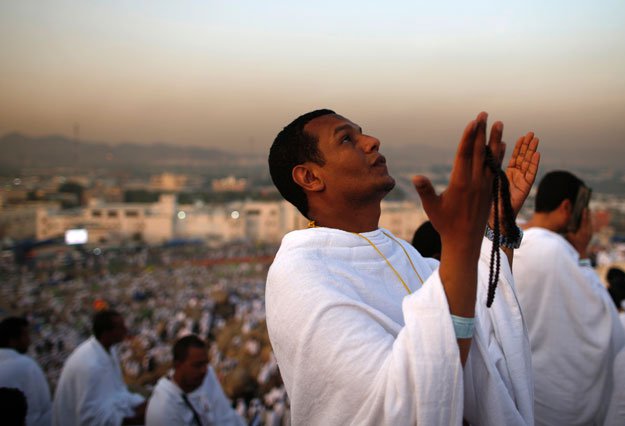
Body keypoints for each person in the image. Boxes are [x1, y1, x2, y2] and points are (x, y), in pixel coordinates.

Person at [266, 109, 540, 425]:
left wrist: (497, 223)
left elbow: (481, 325)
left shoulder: (402, 253)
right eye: (346, 139)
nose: (371, 141)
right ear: (310, 177)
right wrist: (459, 242)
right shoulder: (300, 274)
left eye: (362, 132)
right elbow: (401, 404)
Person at [512, 171, 625, 426]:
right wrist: (582, 253)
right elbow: (605, 319)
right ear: (567, 208)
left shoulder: (512, 242)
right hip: (553, 399)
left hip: (519, 393)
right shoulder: (556, 250)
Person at [52, 310, 146, 426]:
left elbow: (118, 391)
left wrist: (140, 403)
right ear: (106, 333)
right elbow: (89, 417)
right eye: (120, 328)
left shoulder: (109, 350)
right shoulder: (90, 365)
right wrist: (129, 421)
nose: (126, 330)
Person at [146, 334, 245, 426]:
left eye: (205, 363)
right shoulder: (162, 411)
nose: (203, 370)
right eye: (197, 365)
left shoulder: (206, 376)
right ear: (178, 365)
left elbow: (226, 416)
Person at [0, 317, 51, 426]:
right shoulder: (26, 365)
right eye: (25, 335)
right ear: (13, 340)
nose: (29, 340)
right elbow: (39, 411)